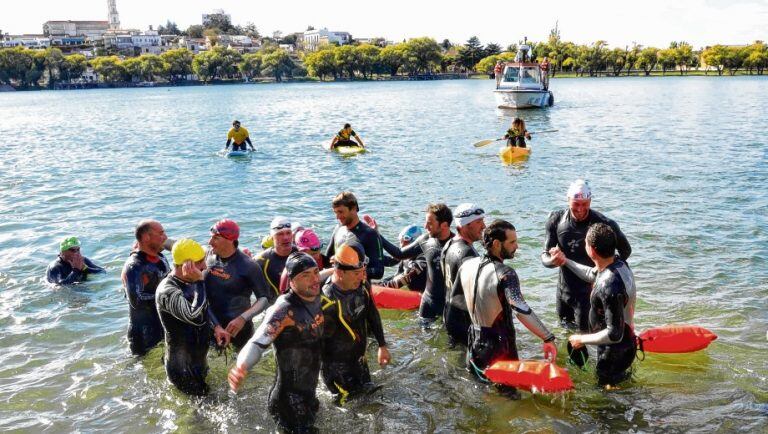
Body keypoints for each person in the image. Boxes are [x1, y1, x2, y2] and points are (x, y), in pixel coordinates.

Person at [456, 220, 557, 396]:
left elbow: (455, 301)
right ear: (496, 244)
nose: (517, 246)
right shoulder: (506, 273)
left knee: (482, 392)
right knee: (509, 397)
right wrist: (547, 338)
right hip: (499, 346)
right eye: (512, 242)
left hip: (474, 341)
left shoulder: (466, 265)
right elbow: (519, 308)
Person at [229, 252, 325, 433]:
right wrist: (242, 366)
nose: (314, 279)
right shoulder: (283, 310)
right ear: (291, 281)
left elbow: (325, 276)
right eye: (305, 275)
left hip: (308, 394)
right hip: (288, 401)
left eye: (315, 272)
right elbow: (257, 342)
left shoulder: (314, 294)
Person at [541, 179, 632, 365]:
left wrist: (607, 277)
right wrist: (553, 260)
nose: (581, 209)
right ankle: (576, 375)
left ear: (590, 201)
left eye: (585, 204)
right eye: (576, 205)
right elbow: (544, 256)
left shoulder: (604, 224)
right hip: (564, 291)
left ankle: (591, 373)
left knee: (585, 336)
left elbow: (625, 252)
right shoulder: (556, 219)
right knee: (567, 332)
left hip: (590, 294)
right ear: (568, 200)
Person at [566, 223, 637, 386]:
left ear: (591, 250)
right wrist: (566, 261)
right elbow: (592, 274)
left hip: (613, 354)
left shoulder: (608, 286)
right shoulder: (619, 264)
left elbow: (614, 334)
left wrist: (582, 339)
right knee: (623, 390)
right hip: (627, 345)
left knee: (605, 404)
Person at [320, 242, 390, 402]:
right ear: (339, 272)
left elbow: (372, 313)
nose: (362, 276)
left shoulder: (362, 285)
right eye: (357, 273)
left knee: (373, 401)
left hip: (359, 361)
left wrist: (382, 345)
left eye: (363, 271)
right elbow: (315, 346)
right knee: (348, 411)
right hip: (337, 371)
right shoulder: (327, 301)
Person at [155, 238, 217, 396]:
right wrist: (200, 282)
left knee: (208, 402)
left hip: (199, 360)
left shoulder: (189, 281)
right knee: (197, 415)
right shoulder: (167, 291)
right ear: (186, 265)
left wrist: (216, 328)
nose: (203, 267)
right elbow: (193, 316)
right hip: (182, 366)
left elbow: (203, 310)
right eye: (199, 263)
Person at [381, 203, 454, 324]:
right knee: (421, 338)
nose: (425, 226)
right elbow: (399, 254)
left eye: (429, 223)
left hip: (448, 306)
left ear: (444, 225)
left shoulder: (458, 247)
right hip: (427, 303)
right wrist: (376, 235)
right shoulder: (426, 240)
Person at [205, 219, 270, 351]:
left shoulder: (248, 266)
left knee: (241, 369)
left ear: (230, 239)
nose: (210, 242)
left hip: (238, 330)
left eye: (215, 238)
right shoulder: (209, 257)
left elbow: (264, 298)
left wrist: (242, 318)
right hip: (213, 326)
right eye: (211, 237)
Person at [122, 220, 170, 356]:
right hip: (143, 334)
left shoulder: (161, 258)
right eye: (161, 233)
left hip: (161, 327)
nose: (165, 237)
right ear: (146, 237)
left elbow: (170, 284)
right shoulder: (134, 266)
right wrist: (168, 296)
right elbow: (136, 300)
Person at [325, 192, 398, 282]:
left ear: (354, 209)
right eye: (335, 212)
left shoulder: (370, 234)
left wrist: (349, 271)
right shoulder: (338, 229)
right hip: (337, 288)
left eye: (341, 212)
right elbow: (327, 260)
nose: (337, 217)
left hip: (359, 291)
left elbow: (378, 271)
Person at [442, 204, 486, 346]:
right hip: (463, 320)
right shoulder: (466, 253)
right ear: (464, 226)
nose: (484, 226)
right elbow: (477, 294)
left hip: (450, 314)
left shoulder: (449, 244)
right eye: (478, 222)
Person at [255, 216, 296, 303]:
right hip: (272, 305)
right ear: (272, 237)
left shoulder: (301, 254)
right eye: (280, 234)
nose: (285, 237)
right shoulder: (261, 260)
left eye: (288, 233)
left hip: (299, 304)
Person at [278, 228, 329, 293]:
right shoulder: (289, 270)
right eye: (313, 254)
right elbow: (284, 294)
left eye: (319, 252)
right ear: (301, 252)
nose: (318, 256)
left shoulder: (322, 259)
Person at [380, 225, 427, 292]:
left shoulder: (422, 260)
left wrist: (380, 287)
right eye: (401, 242)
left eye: (406, 242)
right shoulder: (406, 257)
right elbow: (396, 275)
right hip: (410, 290)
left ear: (414, 245)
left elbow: (403, 279)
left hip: (422, 296)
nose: (401, 245)